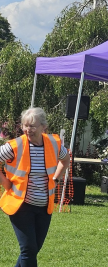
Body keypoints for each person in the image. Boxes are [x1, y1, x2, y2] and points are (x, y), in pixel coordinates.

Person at [0, 107, 70, 267]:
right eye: (25, 125)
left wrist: (57, 178)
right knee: (28, 250)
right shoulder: (15, 146)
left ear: (43, 127)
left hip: (44, 208)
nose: (27, 129)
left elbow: (66, 160)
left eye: (32, 126)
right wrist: (5, 183)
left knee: (32, 250)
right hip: (21, 206)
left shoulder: (54, 143)